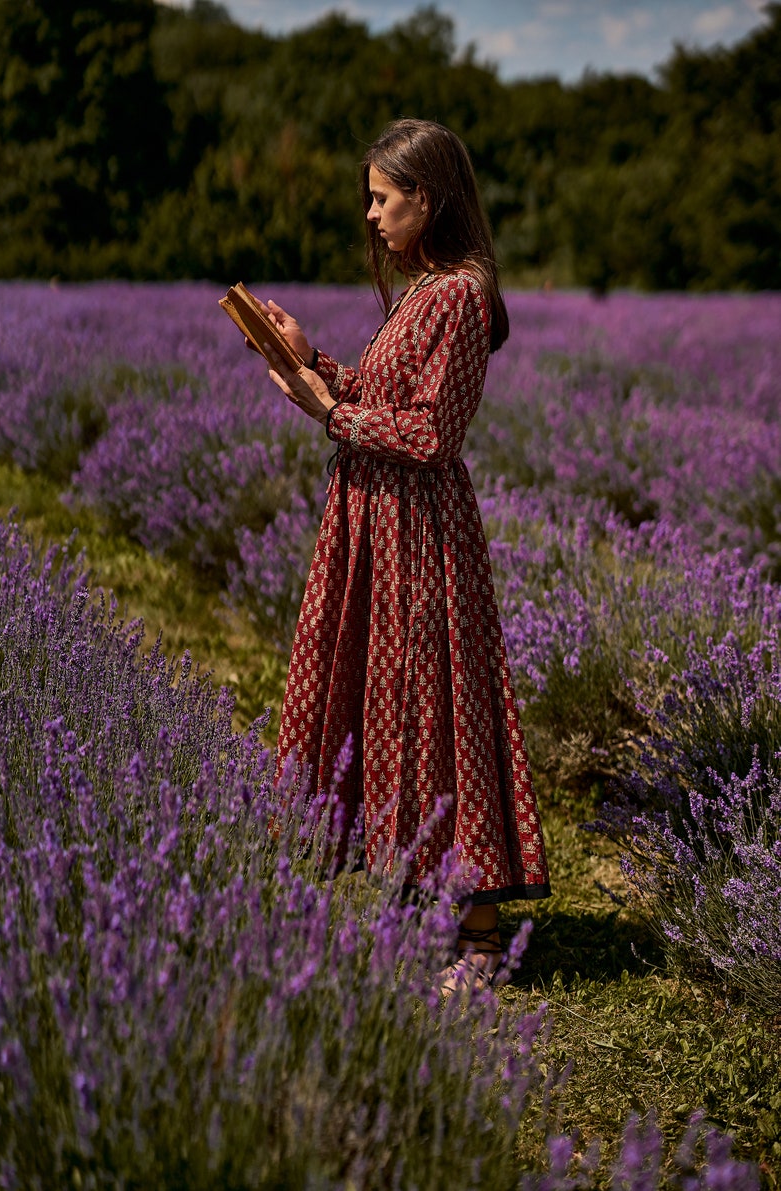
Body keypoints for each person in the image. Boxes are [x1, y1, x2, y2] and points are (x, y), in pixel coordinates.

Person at [259, 118, 550, 987]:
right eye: (371, 199)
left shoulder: (462, 292)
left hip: (419, 531)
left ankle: (480, 932)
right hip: (375, 522)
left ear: (428, 198)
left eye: (384, 198)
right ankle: (414, 890)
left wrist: (329, 414)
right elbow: (384, 396)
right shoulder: (424, 290)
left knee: (437, 708)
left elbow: (430, 432)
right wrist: (308, 357)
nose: (373, 215)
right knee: (386, 700)